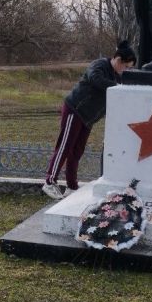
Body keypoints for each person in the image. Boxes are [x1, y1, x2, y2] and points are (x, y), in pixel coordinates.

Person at [42, 43, 137, 199]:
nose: (126, 70)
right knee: (65, 146)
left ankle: (72, 186)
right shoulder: (100, 65)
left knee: (77, 151)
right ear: (118, 60)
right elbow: (95, 79)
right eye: (125, 66)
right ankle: (49, 182)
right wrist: (118, 87)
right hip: (75, 109)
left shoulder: (118, 76)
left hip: (88, 118)